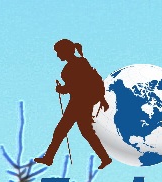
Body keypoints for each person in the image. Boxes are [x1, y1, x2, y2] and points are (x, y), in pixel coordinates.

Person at [42, 39, 112, 170]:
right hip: (81, 102)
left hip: (79, 103)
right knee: (85, 132)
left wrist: (62, 89)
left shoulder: (76, 64)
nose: (58, 55)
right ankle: (105, 158)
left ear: (65, 51)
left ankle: (49, 158)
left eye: (59, 52)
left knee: (62, 130)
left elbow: (79, 85)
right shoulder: (80, 63)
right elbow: (83, 83)